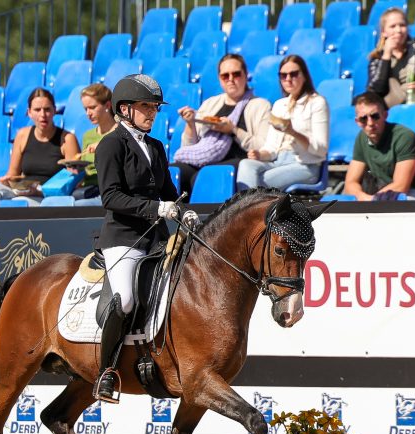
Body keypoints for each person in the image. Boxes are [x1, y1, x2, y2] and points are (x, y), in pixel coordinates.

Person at [92, 75, 194, 403]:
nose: (152, 113)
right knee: (124, 300)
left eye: (154, 107)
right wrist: (156, 208)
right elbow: (111, 197)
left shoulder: (156, 147)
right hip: (125, 239)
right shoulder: (111, 144)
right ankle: (106, 373)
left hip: (158, 239)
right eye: (146, 106)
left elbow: (168, 194)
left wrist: (181, 210)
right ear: (125, 109)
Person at [174, 53, 271, 196]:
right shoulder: (210, 104)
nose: (231, 80)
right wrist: (190, 124)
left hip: (240, 160)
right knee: (174, 171)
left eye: (236, 74)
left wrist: (233, 131)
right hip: (204, 159)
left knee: (204, 176)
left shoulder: (260, 105)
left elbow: (263, 146)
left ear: (245, 75)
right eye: (225, 76)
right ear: (220, 79)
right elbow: (189, 148)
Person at [236, 55, 329, 191]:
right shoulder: (280, 105)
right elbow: (272, 149)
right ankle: (249, 210)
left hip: (305, 165)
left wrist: (293, 132)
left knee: (257, 182)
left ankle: (247, 211)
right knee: (246, 165)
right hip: (278, 162)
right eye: (283, 76)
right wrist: (260, 154)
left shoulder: (317, 102)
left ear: (304, 76)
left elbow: (321, 149)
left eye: (293, 74)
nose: (288, 79)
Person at [0, 88, 80, 205]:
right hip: (24, 189)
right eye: (37, 110)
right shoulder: (22, 135)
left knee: (18, 203)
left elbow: (72, 181)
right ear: (29, 112)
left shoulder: (67, 139)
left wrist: (39, 191)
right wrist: (7, 181)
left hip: (47, 196)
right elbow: (12, 174)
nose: (43, 115)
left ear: (54, 111)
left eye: (47, 110)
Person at [344, 91, 415, 200]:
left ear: (385, 115)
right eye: (363, 118)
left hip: (414, 191)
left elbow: (401, 186)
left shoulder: (404, 137)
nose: (370, 123)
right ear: (357, 121)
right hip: (379, 192)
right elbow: (350, 183)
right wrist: (363, 197)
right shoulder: (362, 137)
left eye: (375, 116)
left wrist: (373, 200)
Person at [366, 7, 415, 108]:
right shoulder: (377, 59)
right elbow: (376, 92)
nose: (398, 30)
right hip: (394, 107)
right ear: (384, 32)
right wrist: (386, 56)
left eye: (402, 25)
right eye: (392, 26)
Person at [71, 83, 117, 203]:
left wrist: (104, 147)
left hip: (110, 191)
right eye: (86, 109)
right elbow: (86, 168)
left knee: (75, 206)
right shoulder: (88, 135)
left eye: (92, 107)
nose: (88, 113)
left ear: (107, 105)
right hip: (87, 190)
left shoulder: (121, 133)